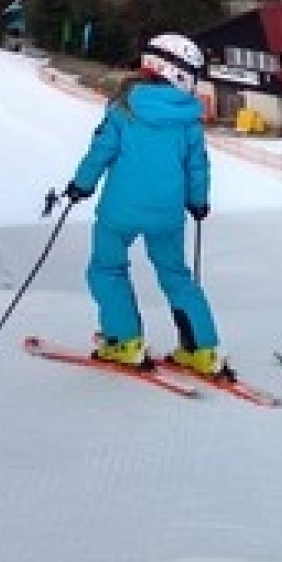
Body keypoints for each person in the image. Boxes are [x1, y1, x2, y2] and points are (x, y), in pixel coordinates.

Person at [65, 33, 227, 376]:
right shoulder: (188, 118)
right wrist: (197, 202)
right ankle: (201, 348)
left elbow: (100, 152)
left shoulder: (124, 107)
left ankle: (124, 341)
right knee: (176, 275)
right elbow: (197, 165)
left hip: (119, 212)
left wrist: (81, 185)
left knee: (107, 270)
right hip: (167, 214)